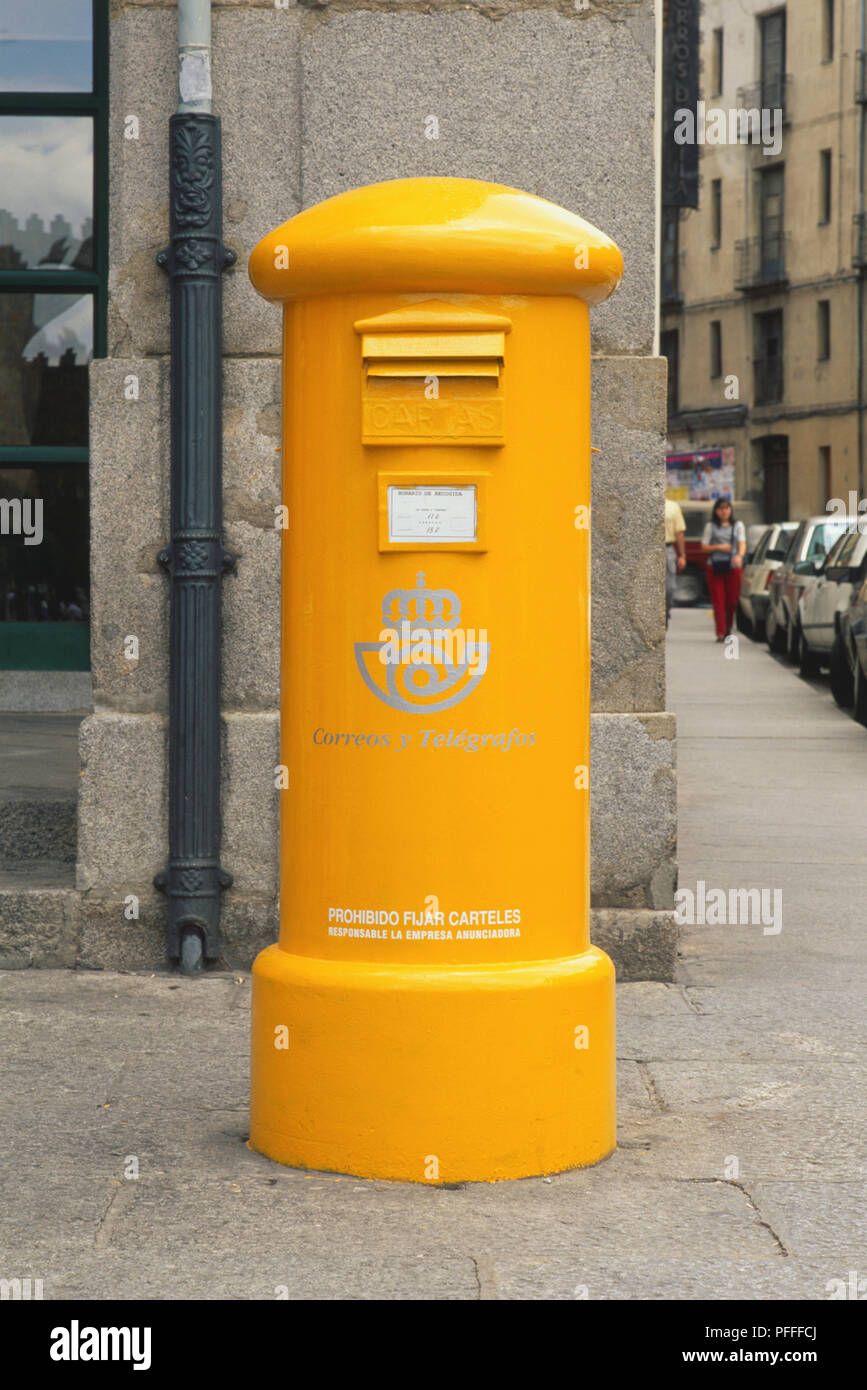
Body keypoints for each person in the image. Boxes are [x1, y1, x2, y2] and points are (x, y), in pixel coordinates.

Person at [701, 497, 746, 640]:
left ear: (731, 510)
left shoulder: (738, 525)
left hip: (733, 565)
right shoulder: (711, 526)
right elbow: (704, 547)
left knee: (732, 600)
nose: (724, 511)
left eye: (727, 508)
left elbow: (742, 543)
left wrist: (739, 555)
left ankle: (728, 627)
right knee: (718, 600)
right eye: (721, 508)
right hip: (714, 565)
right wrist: (718, 547)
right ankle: (720, 632)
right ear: (716, 511)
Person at [664, 497, 687, 625]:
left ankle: (666, 612)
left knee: (670, 588)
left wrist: (682, 555)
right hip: (648, 550)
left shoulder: (673, 506)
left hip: (667, 548)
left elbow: (679, 532)